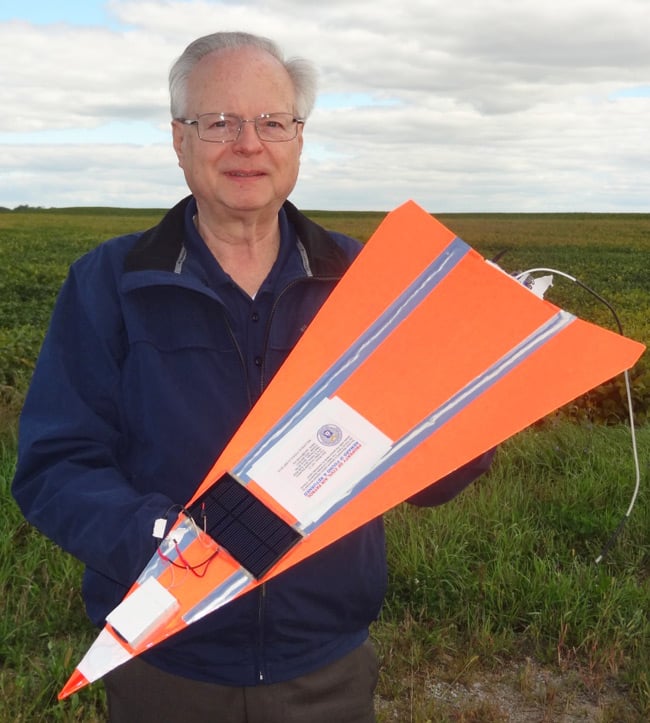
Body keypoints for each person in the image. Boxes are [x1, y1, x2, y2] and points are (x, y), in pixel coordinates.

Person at [12, 31, 493, 723]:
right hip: (168, 663)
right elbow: (55, 466)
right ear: (180, 140)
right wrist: (166, 540)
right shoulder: (107, 283)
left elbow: (431, 475)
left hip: (324, 666)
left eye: (272, 122)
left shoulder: (367, 281)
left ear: (298, 140)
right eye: (219, 122)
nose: (248, 143)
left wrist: (481, 404)